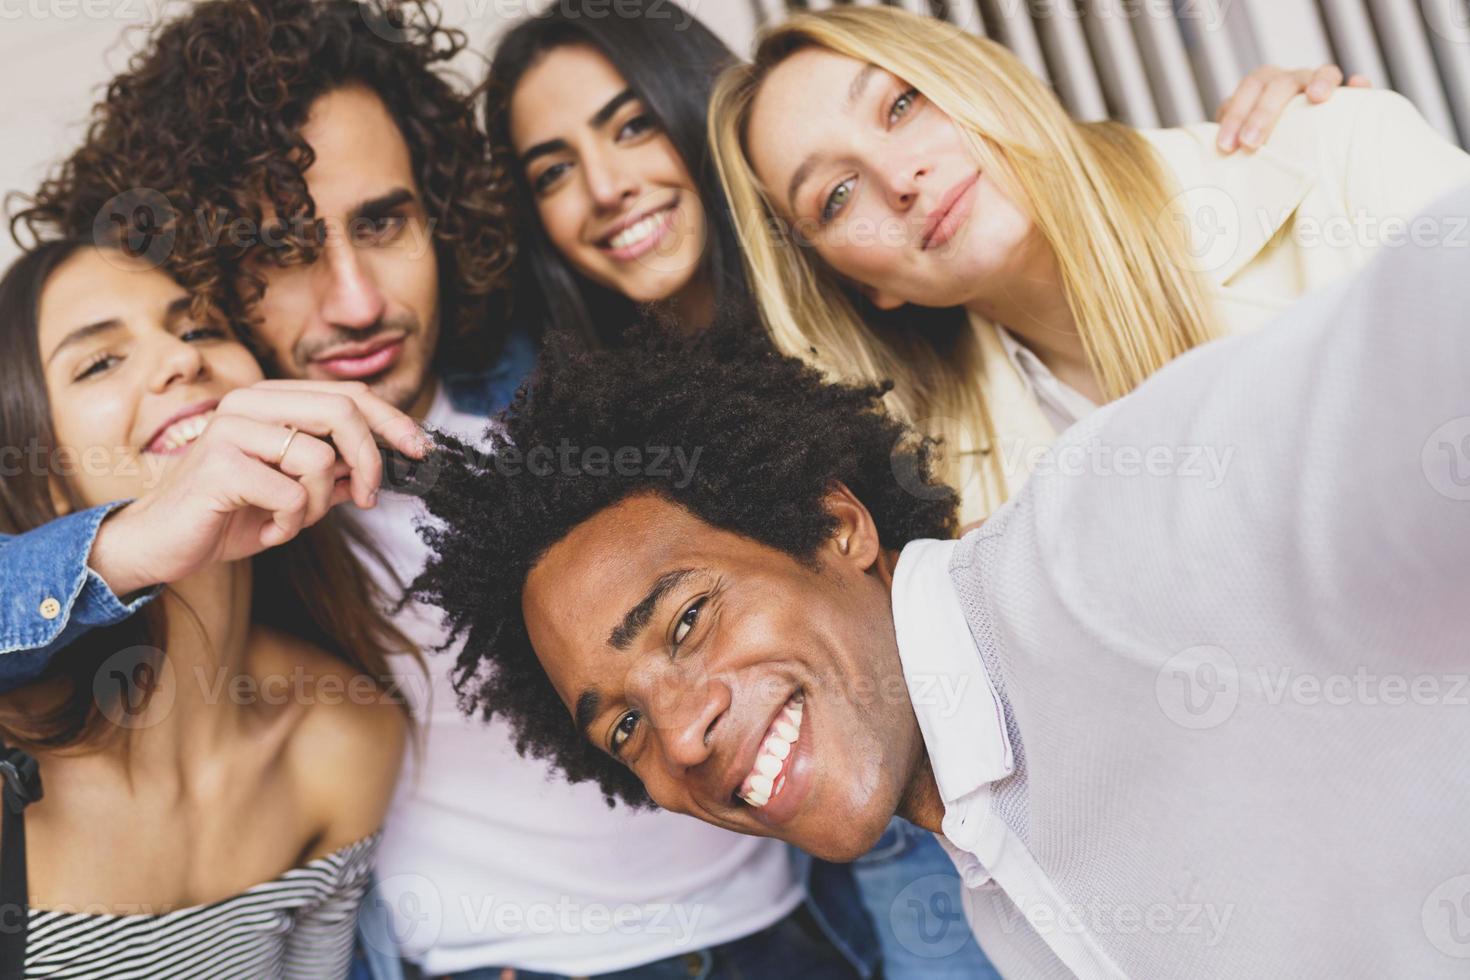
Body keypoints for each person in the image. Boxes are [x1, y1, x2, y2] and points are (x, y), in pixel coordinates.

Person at [484, 2, 1366, 970]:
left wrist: (1323, 138)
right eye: (554, 171)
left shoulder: (917, 370)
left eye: (631, 123)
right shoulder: (589, 464)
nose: (606, 186)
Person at [4, 1, 876, 977]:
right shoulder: (218, 494)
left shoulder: (575, 366)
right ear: (206, 276)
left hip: (802, 929)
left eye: (383, 223)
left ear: (441, 212)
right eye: (284, 252)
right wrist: (126, 544)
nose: (358, 300)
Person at [406, 180, 1470, 979]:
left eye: (687, 620)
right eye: (624, 730)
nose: (679, 736)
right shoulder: (996, 894)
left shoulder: (1112, 546)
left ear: (835, 524)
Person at [708, 6, 1470, 524]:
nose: (899, 179)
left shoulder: (1334, 149)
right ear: (865, 286)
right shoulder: (952, 505)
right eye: (837, 196)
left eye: (902, 105)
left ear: (980, 78)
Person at [0, 239, 430, 977]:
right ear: (47, 474)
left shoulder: (345, 737)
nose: (181, 359)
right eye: (100, 362)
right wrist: (121, 548)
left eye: (199, 328)